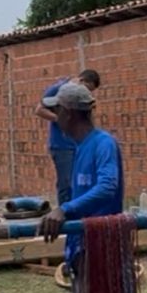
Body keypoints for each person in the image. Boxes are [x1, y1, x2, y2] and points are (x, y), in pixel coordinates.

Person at [38, 82, 123, 293]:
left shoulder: (103, 144)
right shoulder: (80, 147)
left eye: (58, 112)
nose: (55, 118)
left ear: (68, 113)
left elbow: (108, 187)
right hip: (81, 243)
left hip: (100, 245)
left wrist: (65, 209)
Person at [37, 69, 101, 204]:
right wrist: (61, 119)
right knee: (66, 182)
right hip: (62, 144)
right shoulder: (58, 89)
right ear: (81, 80)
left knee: (81, 181)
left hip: (78, 143)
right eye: (87, 88)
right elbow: (39, 109)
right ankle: (65, 215)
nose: (88, 93)